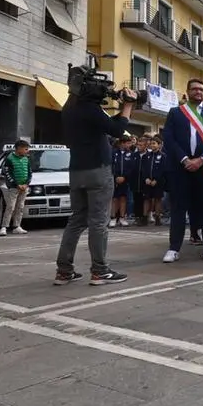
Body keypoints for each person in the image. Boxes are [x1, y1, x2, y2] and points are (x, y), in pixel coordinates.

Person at [55, 74, 133, 285]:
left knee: (77, 219)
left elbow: (106, 124)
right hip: (97, 170)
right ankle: (100, 270)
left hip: (77, 170)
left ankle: (64, 270)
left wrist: (122, 110)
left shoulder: (69, 108)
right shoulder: (90, 108)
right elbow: (117, 130)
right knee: (99, 222)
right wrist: (128, 106)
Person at [161, 78, 203, 263]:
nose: (198, 92)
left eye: (201, 89)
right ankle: (174, 248)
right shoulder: (176, 113)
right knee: (178, 209)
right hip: (181, 167)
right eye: (195, 89)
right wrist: (185, 159)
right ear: (187, 91)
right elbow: (169, 139)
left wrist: (201, 159)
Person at [0, 139, 31, 236]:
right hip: (13, 187)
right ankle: (4, 226)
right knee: (10, 206)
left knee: (20, 207)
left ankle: (17, 226)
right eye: (25, 149)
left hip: (24, 187)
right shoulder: (9, 159)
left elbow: (29, 173)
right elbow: (8, 174)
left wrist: (26, 184)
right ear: (19, 149)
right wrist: (17, 184)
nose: (27, 151)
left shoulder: (26, 159)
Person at [141, 136, 166, 225]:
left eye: (154, 143)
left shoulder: (163, 156)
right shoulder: (146, 156)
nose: (152, 145)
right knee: (147, 199)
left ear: (159, 145)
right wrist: (146, 178)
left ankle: (158, 218)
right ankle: (144, 218)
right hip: (147, 182)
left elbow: (162, 169)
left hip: (158, 182)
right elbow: (143, 169)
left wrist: (156, 180)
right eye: (151, 143)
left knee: (157, 199)